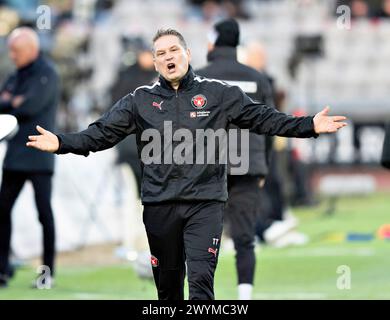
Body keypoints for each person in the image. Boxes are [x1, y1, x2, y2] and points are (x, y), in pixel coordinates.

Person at [26, 28, 347, 300]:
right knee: (167, 291)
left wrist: (308, 126)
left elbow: (265, 119)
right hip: (158, 206)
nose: (169, 57)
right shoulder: (139, 100)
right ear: (155, 62)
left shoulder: (220, 94)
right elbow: (99, 135)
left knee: (201, 284)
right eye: (161, 53)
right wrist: (61, 143)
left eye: (174, 50)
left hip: (205, 204)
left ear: (187, 53)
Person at [196, 18, 274, 300]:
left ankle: (203, 297)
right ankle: (245, 297)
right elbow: (270, 125)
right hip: (249, 165)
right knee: (244, 238)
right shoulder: (257, 77)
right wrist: (263, 165)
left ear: (214, 42)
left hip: (208, 167)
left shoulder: (200, 77)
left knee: (203, 238)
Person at [0, 27, 59, 288]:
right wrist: (13, 101)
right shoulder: (16, 75)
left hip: (39, 155)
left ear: (31, 49)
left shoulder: (47, 73)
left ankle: (47, 273)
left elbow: (29, 107)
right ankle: (2, 269)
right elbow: (5, 103)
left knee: (43, 215)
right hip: (15, 155)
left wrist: (12, 101)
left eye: (16, 51)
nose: (12, 56)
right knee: (2, 212)